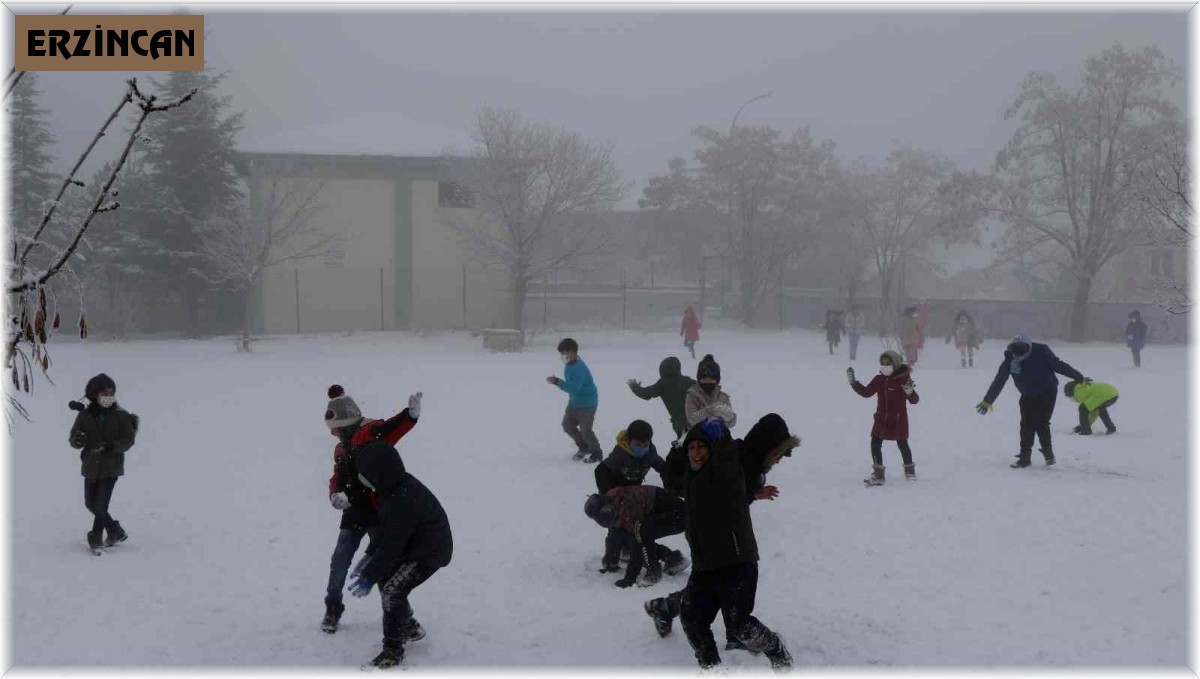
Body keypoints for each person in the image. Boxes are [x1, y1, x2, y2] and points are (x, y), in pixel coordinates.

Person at [645, 421, 792, 670]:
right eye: (691, 448)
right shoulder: (691, 479)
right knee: (691, 619)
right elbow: (671, 481)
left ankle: (776, 650)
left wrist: (722, 438)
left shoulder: (726, 468)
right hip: (704, 565)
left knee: (739, 625)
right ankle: (712, 669)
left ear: (713, 449)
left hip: (736, 560)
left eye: (702, 447)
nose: (696, 452)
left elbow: (727, 471)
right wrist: (676, 447)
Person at [321, 385, 423, 634]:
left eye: (334, 427)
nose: (332, 432)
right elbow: (338, 476)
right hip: (354, 513)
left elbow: (392, 428)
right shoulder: (340, 449)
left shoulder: (370, 433)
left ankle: (405, 619)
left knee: (383, 565)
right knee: (339, 561)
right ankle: (333, 608)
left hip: (380, 512)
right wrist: (335, 494)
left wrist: (409, 415)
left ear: (345, 423)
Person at [347, 440, 453, 669]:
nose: (362, 479)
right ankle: (409, 626)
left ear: (378, 473)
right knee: (387, 581)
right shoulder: (390, 489)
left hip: (430, 552)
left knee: (392, 591)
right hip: (412, 545)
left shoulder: (403, 498)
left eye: (365, 474)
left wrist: (370, 574)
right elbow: (386, 532)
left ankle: (392, 651)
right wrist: (369, 556)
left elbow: (393, 544)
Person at [976, 333, 1088, 468]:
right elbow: (1000, 380)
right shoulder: (1010, 359)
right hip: (1027, 394)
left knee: (1041, 422)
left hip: (1047, 391)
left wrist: (1079, 377)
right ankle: (1025, 457)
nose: (1017, 353)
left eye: (1021, 349)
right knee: (1026, 424)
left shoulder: (1041, 352)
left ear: (1028, 347)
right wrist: (987, 400)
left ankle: (1048, 452)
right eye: (1014, 349)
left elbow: (1059, 365)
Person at [594, 419, 684, 576]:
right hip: (619, 496)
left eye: (645, 445)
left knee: (634, 532)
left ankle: (670, 556)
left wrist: (672, 484)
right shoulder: (620, 454)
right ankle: (612, 559)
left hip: (637, 498)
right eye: (637, 444)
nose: (642, 448)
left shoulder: (650, 452)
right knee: (617, 528)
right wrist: (609, 494)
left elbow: (662, 467)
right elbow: (600, 471)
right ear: (629, 441)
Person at [68, 373, 138, 554]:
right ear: (94, 395)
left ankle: (96, 537)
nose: (108, 397)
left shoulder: (121, 416)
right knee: (90, 504)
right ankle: (115, 530)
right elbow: (74, 438)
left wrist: (112, 446)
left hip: (111, 467)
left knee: (100, 506)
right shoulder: (85, 416)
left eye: (111, 393)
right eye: (104, 393)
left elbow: (128, 440)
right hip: (90, 466)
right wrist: (78, 440)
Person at [584, 484, 688, 588]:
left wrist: (630, 577)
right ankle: (673, 558)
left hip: (679, 517)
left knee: (640, 531)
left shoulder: (628, 502)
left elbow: (637, 541)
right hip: (659, 515)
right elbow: (614, 532)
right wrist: (610, 560)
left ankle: (653, 571)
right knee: (630, 535)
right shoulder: (614, 501)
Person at [848, 351, 920, 485]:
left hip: (898, 420)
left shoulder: (903, 380)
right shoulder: (879, 380)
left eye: (888, 363)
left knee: (902, 444)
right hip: (881, 418)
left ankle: (910, 471)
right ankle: (878, 474)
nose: (885, 366)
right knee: (875, 443)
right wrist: (853, 382)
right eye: (882, 364)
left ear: (895, 364)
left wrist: (910, 391)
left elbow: (914, 400)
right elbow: (866, 392)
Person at [547, 338, 602, 463]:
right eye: (561, 354)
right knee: (567, 425)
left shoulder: (579, 367)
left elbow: (574, 388)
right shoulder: (570, 363)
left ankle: (596, 452)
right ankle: (584, 447)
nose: (562, 356)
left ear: (572, 352)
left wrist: (557, 382)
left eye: (564, 353)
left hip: (587, 404)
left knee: (586, 430)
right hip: (574, 402)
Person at [627, 357, 696, 440]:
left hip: (682, 425)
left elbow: (646, 394)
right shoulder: (687, 380)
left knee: (686, 446)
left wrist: (634, 387)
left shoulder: (663, 384)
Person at [684, 355, 737, 430]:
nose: (707, 382)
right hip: (697, 435)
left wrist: (729, 416)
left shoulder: (722, 396)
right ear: (699, 379)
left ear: (716, 380)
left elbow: (731, 423)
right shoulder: (692, 395)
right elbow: (691, 419)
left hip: (719, 436)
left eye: (711, 379)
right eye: (704, 379)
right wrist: (710, 410)